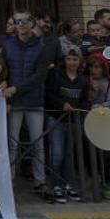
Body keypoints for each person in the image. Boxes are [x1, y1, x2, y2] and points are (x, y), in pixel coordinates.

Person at [2, 9, 51, 195]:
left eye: (24, 21)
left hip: (33, 103)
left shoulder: (42, 47)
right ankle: (10, 182)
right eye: (17, 21)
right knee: (12, 144)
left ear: (32, 23)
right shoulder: (7, 45)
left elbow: (39, 76)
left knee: (37, 143)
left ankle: (40, 181)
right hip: (13, 104)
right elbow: (4, 69)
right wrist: (4, 81)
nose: (21, 24)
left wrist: (15, 88)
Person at [45, 48, 87, 204]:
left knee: (69, 154)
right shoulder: (55, 75)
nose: (72, 62)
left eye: (75, 60)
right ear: (65, 60)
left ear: (79, 61)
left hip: (74, 120)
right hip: (56, 119)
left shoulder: (82, 80)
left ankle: (67, 184)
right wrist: (62, 104)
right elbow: (48, 95)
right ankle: (56, 185)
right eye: (69, 59)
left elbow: (84, 100)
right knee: (57, 153)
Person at [85, 54, 110, 198]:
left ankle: (106, 182)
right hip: (88, 120)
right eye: (92, 67)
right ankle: (93, 177)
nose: (94, 70)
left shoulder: (109, 83)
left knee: (105, 155)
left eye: (97, 67)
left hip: (104, 121)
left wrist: (99, 105)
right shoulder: (85, 81)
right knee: (88, 152)